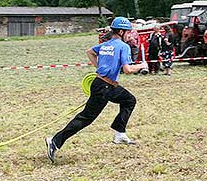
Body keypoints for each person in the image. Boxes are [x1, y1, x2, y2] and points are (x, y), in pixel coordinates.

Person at [45, 17, 148, 163]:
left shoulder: (106, 44)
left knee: (129, 100)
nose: (129, 35)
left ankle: (119, 132)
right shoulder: (123, 46)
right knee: (85, 118)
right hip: (104, 88)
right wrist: (142, 65)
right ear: (120, 31)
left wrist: (100, 68)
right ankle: (54, 141)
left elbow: (90, 52)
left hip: (105, 85)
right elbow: (128, 69)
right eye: (128, 32)